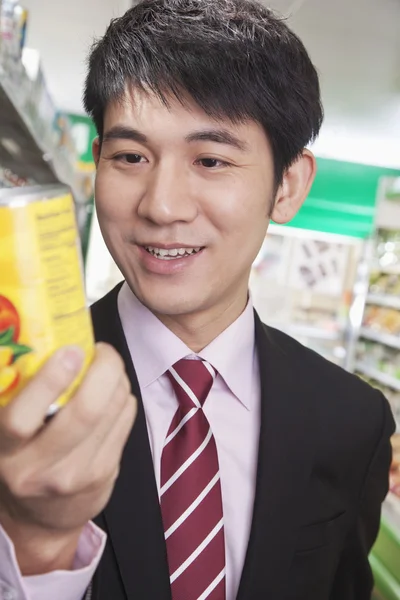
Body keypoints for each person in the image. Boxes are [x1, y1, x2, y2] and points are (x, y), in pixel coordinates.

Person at [0, 0, 395, 599]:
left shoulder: (351, 423)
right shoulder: (18, 390)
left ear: (287, 185)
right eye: (130, 157)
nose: (161, 206)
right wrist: (34, 548)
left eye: (210, 160)